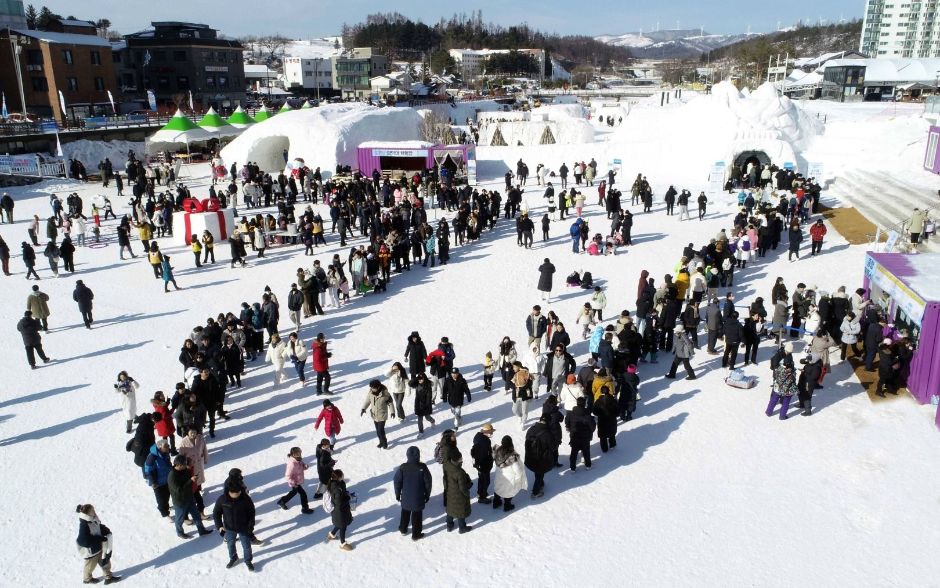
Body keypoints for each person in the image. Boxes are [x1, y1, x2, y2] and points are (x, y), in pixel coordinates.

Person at [213, 484, 257, 571]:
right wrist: (219, 526)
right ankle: (233, 557)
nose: (237, 495)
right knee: (230, 544)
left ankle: (248, 561)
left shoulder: (245, 499)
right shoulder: (222, 499)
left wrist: (250, 526)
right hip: (229, 528)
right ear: (229, 492)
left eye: (239, 492)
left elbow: (252, 512)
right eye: (235, 493)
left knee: (246, 546)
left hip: (243, 527)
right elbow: (216, 513)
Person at [168, 455, 213, 539]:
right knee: (179, 519)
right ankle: (180, 532)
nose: (186, 465)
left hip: (190, 497)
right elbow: (179, 490)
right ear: (179, 465)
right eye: (185, 464)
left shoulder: (186, 470)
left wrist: (194, 478)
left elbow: (189, 481)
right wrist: (190, 481)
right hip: (180, 502)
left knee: (196, 515)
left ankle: (201, 530)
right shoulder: (172, 476)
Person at [393, 446, 433, 541]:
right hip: (418, 498)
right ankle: (416, 534)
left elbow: (397, 481)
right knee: (417, 517)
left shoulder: (402, 467)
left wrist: (398, 494)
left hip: (406, 497)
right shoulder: (422, 467)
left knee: (405, 513)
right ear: (418, 455)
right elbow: (428, 482)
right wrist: (427, 494)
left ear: (407, 455)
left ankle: (403, 529)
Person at [75, 504, 120, 585]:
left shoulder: (93, 519)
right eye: (92, 511)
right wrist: (99, 539)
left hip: (99, 547)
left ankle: (108, 577)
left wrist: (105, 530)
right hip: (90, 552)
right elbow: (83, 541)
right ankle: (87, 579)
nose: (94, 512)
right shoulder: (84, 525)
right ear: (87, 514)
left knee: (105, 561)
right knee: (90, 567)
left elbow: (98, 526)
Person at [492, 435, 527, 511]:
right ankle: (507, 506)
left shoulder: (497, 451)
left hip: (499, 475)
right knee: (508, 492)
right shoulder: (512, 456)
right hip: (509, 478)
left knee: (498, 488)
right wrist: (518, 479)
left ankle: (496, 502)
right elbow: (517, 470)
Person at [524, 415, 555, 498]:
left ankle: (540, 483)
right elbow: (553, 447)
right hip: (541, 460)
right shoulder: (548, 434)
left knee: (538, 473)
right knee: (539, 475)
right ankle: (535, 492)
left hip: (530, 458)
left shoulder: (531, 429)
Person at [277, 447, 315, 514]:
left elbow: (300, 465)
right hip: (295, 483)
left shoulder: (298, 459)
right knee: (303, 494)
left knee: (294, 492)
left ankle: (282, 501)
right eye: (298, 454)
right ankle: (305, 509)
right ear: (293, 454)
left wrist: (304, 466)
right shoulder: (292, 464)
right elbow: (287, 476)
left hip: (297, 481)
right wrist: (294, 483)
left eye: (300, 453)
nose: (299, 455)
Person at [443, 452, 474, 533]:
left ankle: (449, 525)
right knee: (460, 511)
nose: (462, 460)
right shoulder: (459, 473)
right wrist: (468, 490)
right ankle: (462, 527)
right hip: (459, 496)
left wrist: (447, 489)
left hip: (450, 493)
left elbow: (444, 479)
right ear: (457, 460)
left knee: (451, 509)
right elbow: (463, 488)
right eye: (460, 459)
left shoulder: (447, 467)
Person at [143, 439, 173, 519]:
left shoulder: (165, 453)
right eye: (166, 446)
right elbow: (148, 471)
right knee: (161, 500)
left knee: (167, 496)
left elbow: (168, 464)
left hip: (166, 479)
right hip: (157, 483)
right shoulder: (152, 457)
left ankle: (166, 507)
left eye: (168, 445)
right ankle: (165, 514)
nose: (168, 447)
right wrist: (153, 482)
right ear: (160, 448)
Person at [326, 469, 355, 551]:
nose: (343, 476)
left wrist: (347, 494)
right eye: (342, 475)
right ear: (338, 477)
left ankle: (331, 535)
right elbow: (339, 503)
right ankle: (342, 543)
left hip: (341, 511)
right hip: (339, 512)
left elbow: (342, 493)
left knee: (339, 525)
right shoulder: (336, 489)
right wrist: (348, 498)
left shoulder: (339, 484)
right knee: (343, 526)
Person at [564, 396, 596, 471]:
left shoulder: (571, 413)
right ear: (584, 404)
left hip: (574, 436)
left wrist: (569, 428)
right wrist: (589, 431)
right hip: (585, 437)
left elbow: (567, 423)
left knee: (574, 452)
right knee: (586, 452)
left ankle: (572, 468)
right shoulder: (587, 415)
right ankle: (588, 465)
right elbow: (593, 427)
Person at [361, 379, 393, 449]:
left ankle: (384, 442)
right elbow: (367, 401)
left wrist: (392, 412)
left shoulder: (385, 393)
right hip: (374, 415)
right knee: (378, 431)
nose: (372, 389)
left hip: (382, 414)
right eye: (371, 387)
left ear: (378, 387)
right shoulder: (370, 393)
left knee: (380, 430)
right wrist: (363, 408)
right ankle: (381, 442)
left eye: (373, 388)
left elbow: (390, 403)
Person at [471, 423, 495, 503]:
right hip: (483, 465)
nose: (492, 433)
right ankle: (482, 497)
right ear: (486, 432)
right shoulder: (483, 442)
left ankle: (480, 493)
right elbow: (482, 455)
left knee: (481, 480)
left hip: (481, 465)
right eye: (490, 432)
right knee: (486, 481)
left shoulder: (479, 437)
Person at [592, 386, 619, 451]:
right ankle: (612, 444)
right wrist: (614, 415)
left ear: (601, 392)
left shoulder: (598, 401)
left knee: (602, 435)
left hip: (602, 421)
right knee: (611, 433)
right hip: (611, 420)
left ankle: (604, 448)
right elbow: (618, 411)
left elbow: (594, 411)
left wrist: (600, 414)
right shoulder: (613, 400)